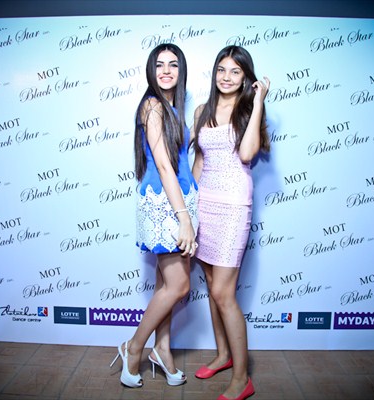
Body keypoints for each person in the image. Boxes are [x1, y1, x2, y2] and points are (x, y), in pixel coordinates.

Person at [109, 43, 199, 388]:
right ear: (151, 70)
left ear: (181, 71)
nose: (166, 71)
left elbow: (181, 163)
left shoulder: (173, 109)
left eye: (173, 65)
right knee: (179, 285)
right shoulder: (152, 105)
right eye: (159, 64)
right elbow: (163, 165)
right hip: (165, 204)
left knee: (166, 285)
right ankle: (133, 347)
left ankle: (162, 349)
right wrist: (184, 218)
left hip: (179, 199)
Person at [191, 45, 270, 400]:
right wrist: (189, 211)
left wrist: (259, 101)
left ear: (246, 77)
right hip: (204, 203)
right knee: (211, 284)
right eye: (221, 69)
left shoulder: (248, 110)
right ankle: (223, 355)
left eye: (235, 71)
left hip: (233, 204)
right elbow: (199, 162)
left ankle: (242, 378)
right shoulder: (202, 111)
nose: (226, 77)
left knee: (224, 293)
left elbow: (247, 153)